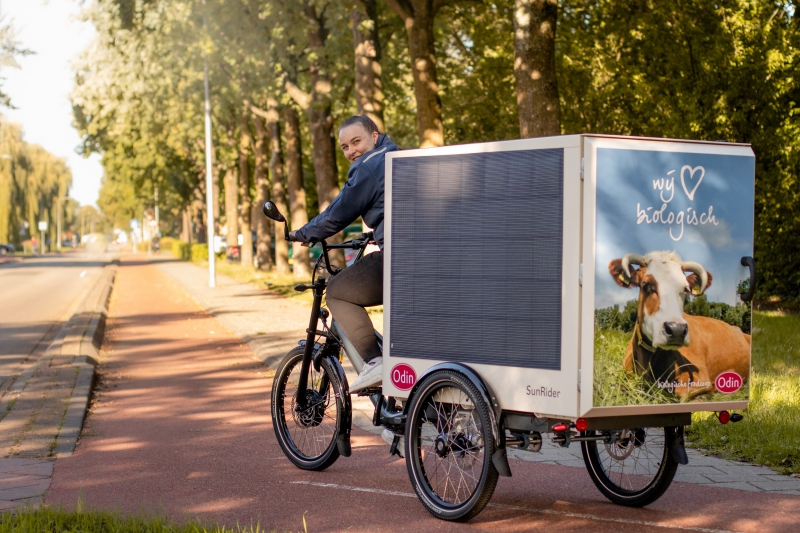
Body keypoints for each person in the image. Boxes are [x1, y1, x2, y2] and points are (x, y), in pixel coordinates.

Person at [289, 115, 398, 393]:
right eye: (344, 147)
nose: (351, 151)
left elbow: (337, 214)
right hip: (432, 256)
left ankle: (375, 362)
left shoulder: (370, 166)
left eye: (356, 141)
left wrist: (304, 233)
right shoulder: (399, 156)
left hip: (401, 259)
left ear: (374, 136)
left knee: (337, 290)